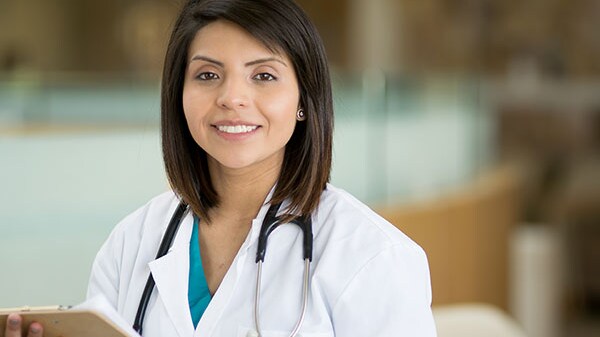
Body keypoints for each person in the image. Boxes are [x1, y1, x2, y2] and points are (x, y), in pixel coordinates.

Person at [4, 0, 436, 336]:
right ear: (179, 95)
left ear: (304, 100)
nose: (232, 97)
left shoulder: (374, 257)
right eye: (208, 75)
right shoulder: (131, 243)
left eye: (263, 76)